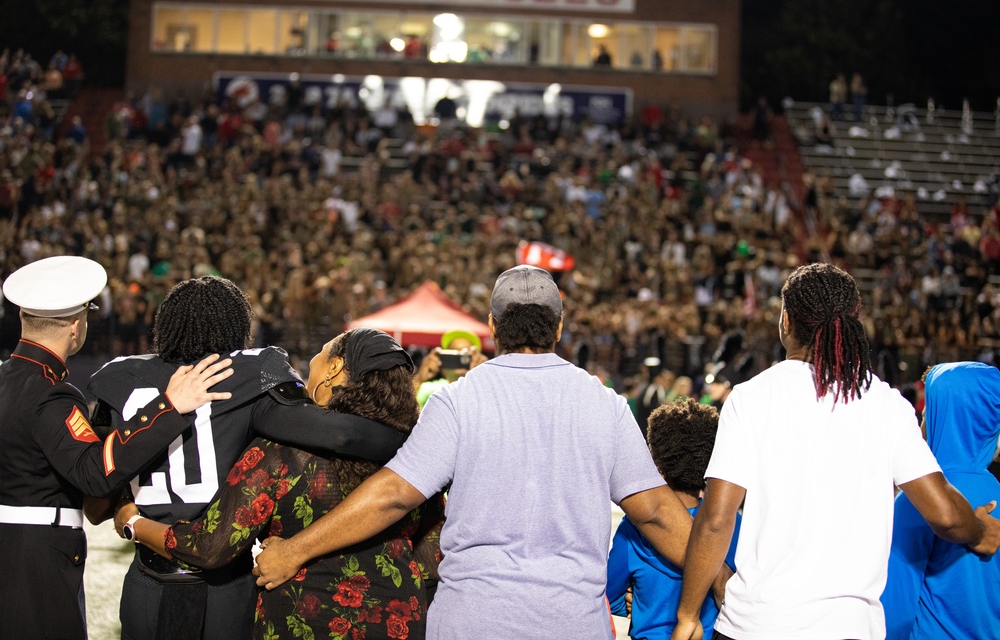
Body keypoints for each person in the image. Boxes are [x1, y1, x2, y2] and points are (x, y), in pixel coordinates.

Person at [253, 265, 700, 638]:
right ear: (559, 327)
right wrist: (718, 581)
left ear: (491, 327)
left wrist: (294, 551)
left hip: (474, 622)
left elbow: (392, 495)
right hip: (570, 624)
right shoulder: (606, 405)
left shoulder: (458, 400)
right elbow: (658, 512)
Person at [671, 263, 1000, 640]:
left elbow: (716, 519)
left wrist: (688, 615)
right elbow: (944, 514)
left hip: (756, 626)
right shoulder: (887, 406)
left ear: (787, 321)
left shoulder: (751, 397)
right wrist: (979, 532)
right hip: (848, 629)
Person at [87, 277, 410, 640]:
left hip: (147, 580)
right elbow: (341, 434)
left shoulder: (117, 377)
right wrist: (411, 438)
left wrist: (132, 507)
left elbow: (96, 506)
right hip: (224, 587)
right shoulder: (252, 371)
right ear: (238, 328)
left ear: (166, 326)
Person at [0, 256, 234, 640]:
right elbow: (94, 472)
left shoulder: (6, 377)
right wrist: (167, 407)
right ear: (76, 326)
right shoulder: (51, 393)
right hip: (37, 559)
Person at [881, 362, 1000, 640]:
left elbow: (895, 612)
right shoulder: (994, 489)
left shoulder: (921, 499)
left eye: (926, 415)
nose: (921, 425)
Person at [608, 398, 741, 639]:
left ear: (657, 466)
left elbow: (609, 595)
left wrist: (636, 607)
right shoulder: (732, 524)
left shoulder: (633, 527)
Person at [411, 328, 488, 408]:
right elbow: (403, 406)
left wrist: (486, 374)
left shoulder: (482, 389)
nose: (459, 359)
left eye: (465, 355)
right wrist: (419, 378)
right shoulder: (432, 390)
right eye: (454, 353)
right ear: (443, 359)